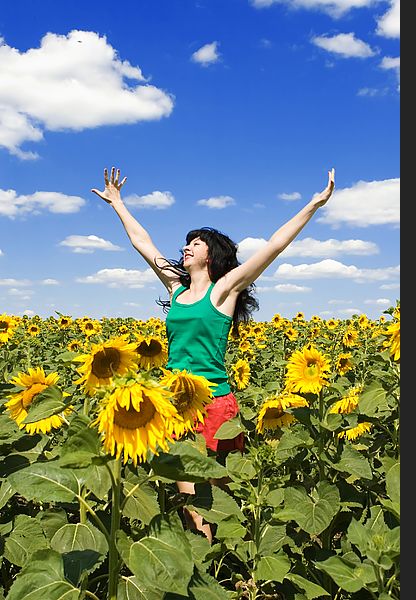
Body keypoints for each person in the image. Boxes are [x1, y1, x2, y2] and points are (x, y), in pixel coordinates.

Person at [91, 166, 335, 541]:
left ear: (212, 255)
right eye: (187, 243)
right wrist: (118, 204)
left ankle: (221, 558)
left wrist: (314, 205)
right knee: (188, 496)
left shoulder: (224, 291)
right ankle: (207, 557)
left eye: (197, 243)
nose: (187, 247)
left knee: (215, 495)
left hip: (214, 403)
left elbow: (273, 246)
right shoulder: (176, 289)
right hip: (174, 402)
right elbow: (144, 244)